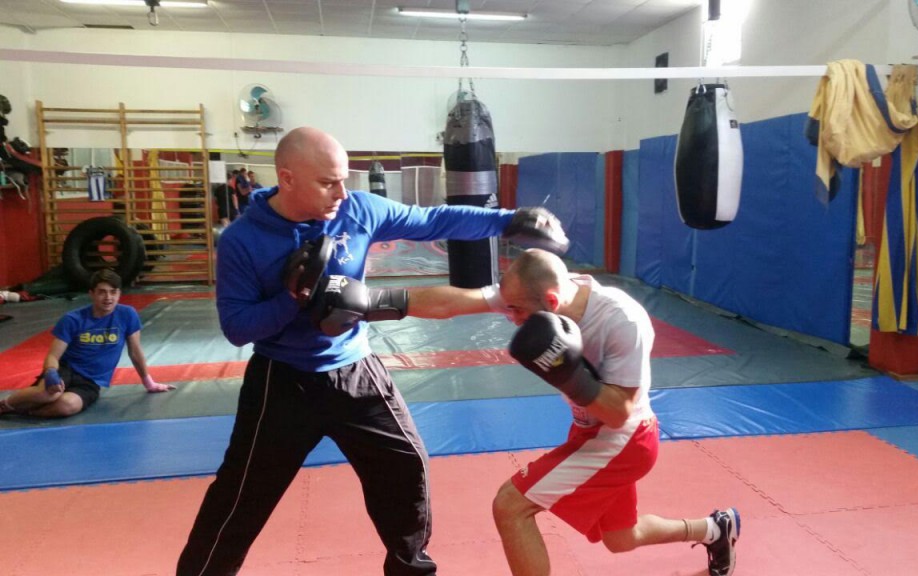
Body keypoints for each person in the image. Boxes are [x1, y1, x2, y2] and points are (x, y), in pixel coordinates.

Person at [176, 126, 568, 576]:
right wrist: (293, 299)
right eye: (327, 182)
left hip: (356, 372)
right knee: (239, 498)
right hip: (281, 382)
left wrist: (510, 220)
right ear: (286, 178)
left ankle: (410, 570)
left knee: (407, 471)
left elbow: (432, 220)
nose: (341, 192)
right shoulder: (243, 240)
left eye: (344, 179)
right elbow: (237, 328)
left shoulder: (357, 209)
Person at [398, 249, 741, 576]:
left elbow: (619, 413)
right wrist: (377, 304)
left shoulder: (622, 321)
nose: (512, 318)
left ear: (550, 302)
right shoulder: (532, 290)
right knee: (622, 538)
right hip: (587, 430)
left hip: (624, 439)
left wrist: (570, 374)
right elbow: (451, 301)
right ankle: (715, 529)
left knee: (510, 506)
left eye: (517, 311)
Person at [0, 269, 175, 419]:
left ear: (119, 294)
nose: (108, 297)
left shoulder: (127, 315)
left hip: (90, 381)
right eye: (102, 292)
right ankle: (4, 405)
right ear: (91, 293)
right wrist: (51, 372)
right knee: (47, 393)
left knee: (67, 406)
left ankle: (26, 412)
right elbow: (53, 355)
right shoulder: (73, 319)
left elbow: (135, 352)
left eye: (113, 292)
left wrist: (149, 383)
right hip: (67, 369)